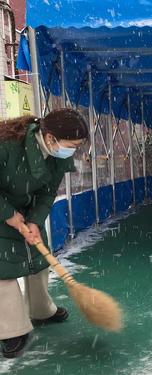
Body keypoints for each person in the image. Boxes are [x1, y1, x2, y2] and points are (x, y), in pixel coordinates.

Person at [0, 109, 88, 358]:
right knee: (3, 269)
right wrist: (8, 214)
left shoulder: (57, 156)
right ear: (50, 137)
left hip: (27, 211)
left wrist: (35, 220)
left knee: (39, 259)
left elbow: (48, 192)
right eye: (72, 145)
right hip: (2, 210)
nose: (73, 150)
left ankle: (41, 310)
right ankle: (10, 330)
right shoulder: (7, 146)